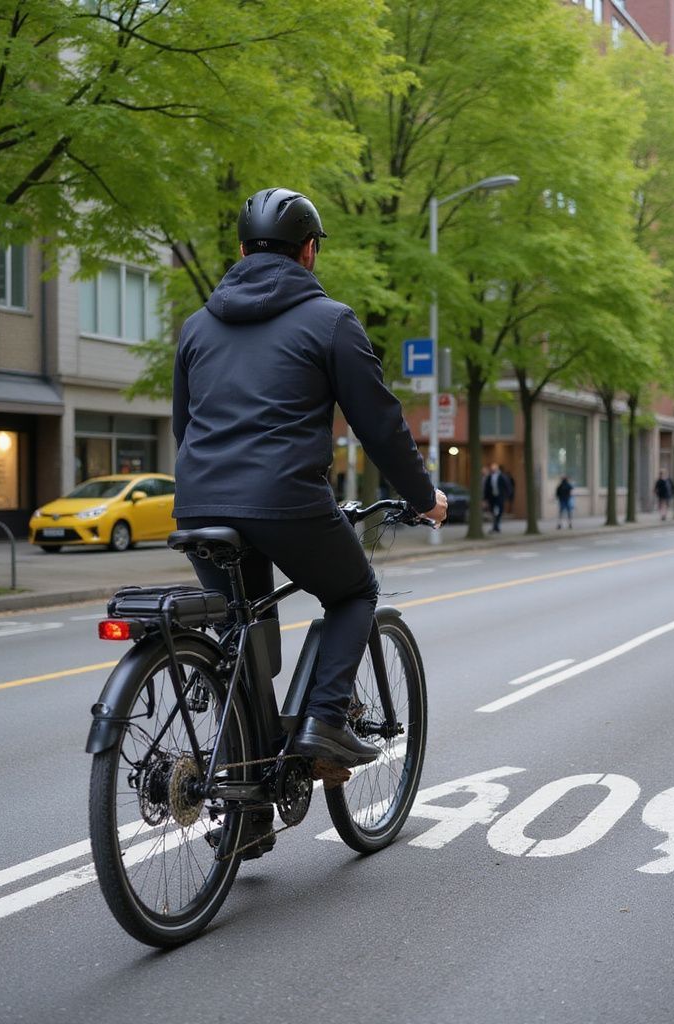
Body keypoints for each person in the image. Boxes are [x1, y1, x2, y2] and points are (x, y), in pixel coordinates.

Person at [172, 187, 446, 854]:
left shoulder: (197, 326)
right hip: (287, 501)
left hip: (201, 504)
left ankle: (249, 814)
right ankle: (325, 720)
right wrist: (423, 494)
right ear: (310, 251)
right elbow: (379, 425)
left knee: (246, 641)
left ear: (240, 251)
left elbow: (185, 424)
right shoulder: (329, 321)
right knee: (353, 593)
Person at [483, 462, 513, 532]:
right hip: (492, 497)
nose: (493, 469)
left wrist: (508, 495)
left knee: (500, 510)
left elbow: (507, 486)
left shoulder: (502, 476)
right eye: (492, 468)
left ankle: (496, 525)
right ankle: (495, 525)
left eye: (494, 468)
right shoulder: (489, 477)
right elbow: (487, 488)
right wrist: (485, 499)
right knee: (492, 511)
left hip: (500, 496)